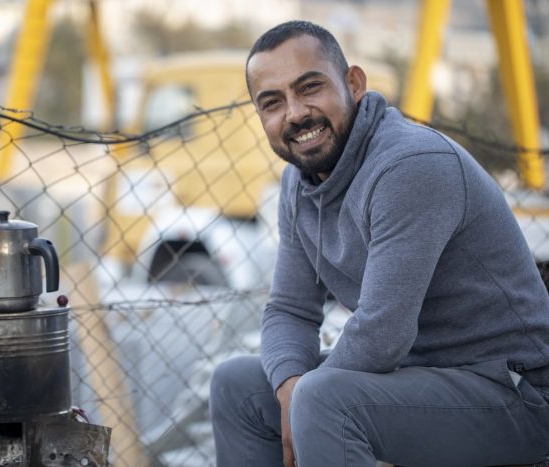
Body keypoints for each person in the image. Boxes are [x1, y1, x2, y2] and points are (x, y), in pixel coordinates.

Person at [210, 20, 549, 467]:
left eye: (309, 87)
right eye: (272, 103)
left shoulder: (409, 165)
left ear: (354, 83)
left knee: (326, 399)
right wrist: (290, 386)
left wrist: (305, 398)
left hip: (515, 393)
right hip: (416, 378)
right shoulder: (300, 183)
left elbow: (381, 335)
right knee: (238, 385)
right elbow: (290, 310)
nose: (294, 113)